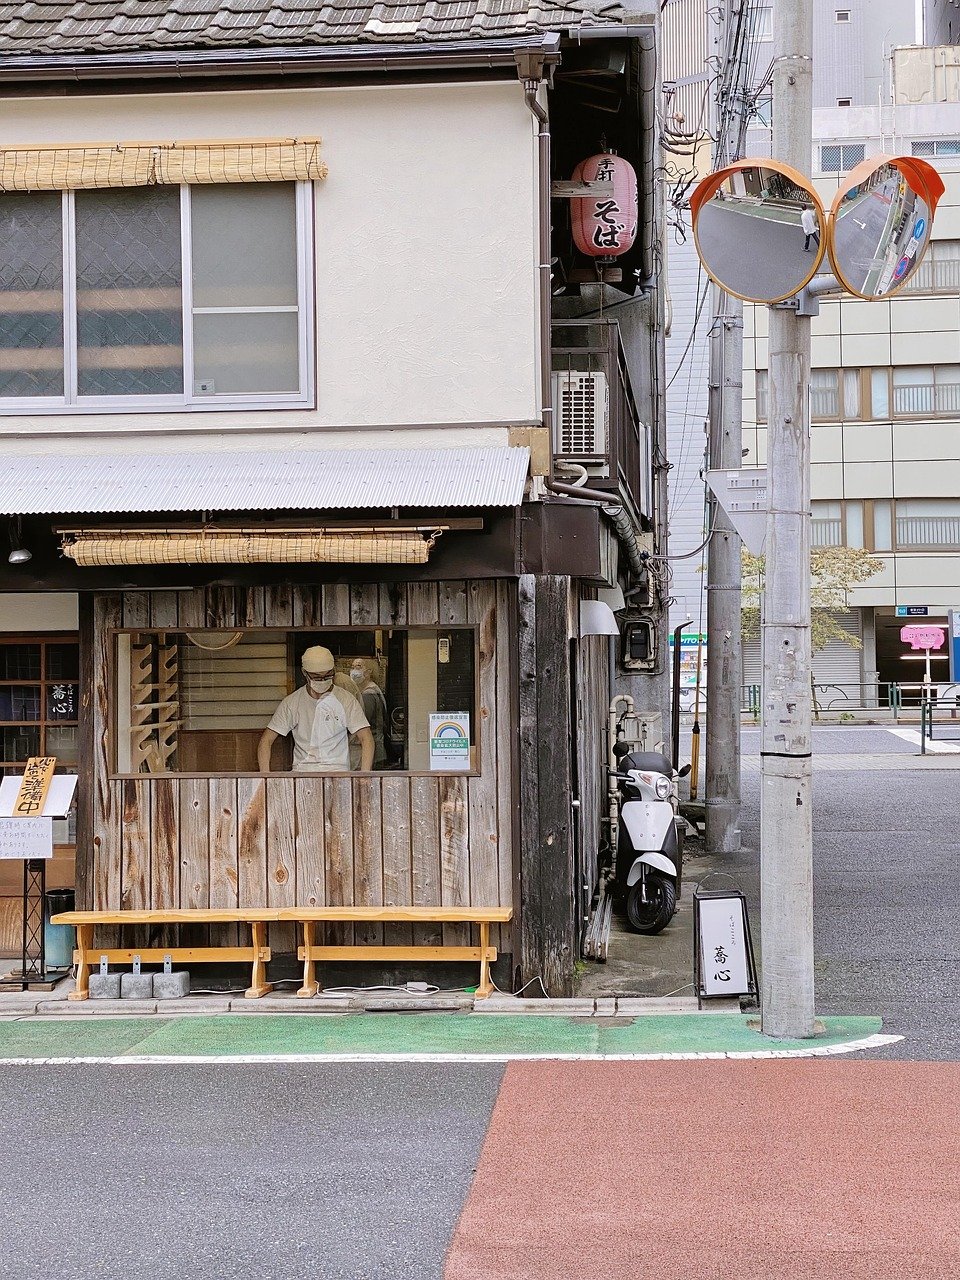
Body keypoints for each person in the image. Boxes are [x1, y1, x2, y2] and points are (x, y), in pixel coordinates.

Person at [257, 645, 374, 772]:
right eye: (317, 677)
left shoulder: (346, 700)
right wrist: (264, 777)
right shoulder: (292, 702)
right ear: (304, 673)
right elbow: (266, 741)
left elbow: (366, 738)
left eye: (328, 676)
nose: (323, 680)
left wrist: (365, 776)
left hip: (337, 771)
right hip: (302, 771)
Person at [349, 658, 389, 769]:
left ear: (369, 671)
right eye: (352, 667)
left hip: (371, 751)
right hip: (377, 748)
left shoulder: (368, 695)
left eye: (358, 667)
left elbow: (361, 724)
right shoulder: (374, 690)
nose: (354, 671)